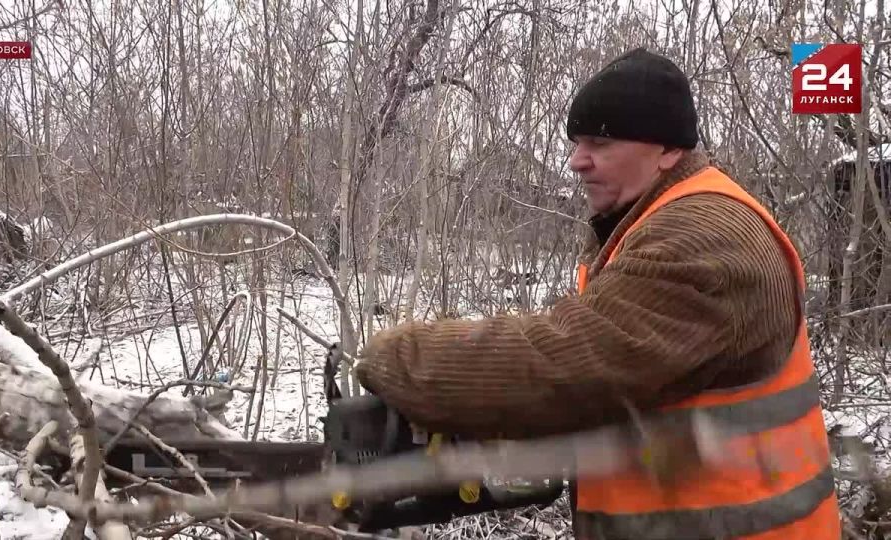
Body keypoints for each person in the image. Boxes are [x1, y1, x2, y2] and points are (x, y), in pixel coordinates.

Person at [353, 47, 840, 538]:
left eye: (600, 144)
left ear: (668, 150)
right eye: (575, 142)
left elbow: (567, 363)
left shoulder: (706, 238)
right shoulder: (654, 218)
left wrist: (397, 359)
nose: (576, 162)